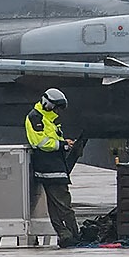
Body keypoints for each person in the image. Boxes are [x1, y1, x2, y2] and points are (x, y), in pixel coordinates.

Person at [24, 88, 81, 246]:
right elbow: (41, 143)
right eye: (56, 108)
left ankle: (65, 235)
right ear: (48, 104)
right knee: (63, 204)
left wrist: (65, 143)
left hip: (54, 166)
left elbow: (52, 138)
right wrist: (63, 145)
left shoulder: (48, 119)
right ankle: (74, 235)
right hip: (50, 168)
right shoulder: (36, 118)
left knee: (55, 206)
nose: (58, 111)